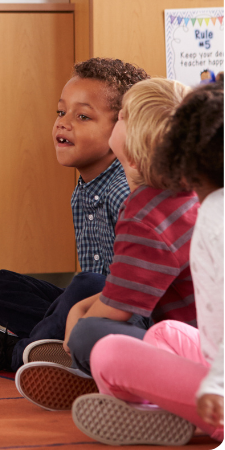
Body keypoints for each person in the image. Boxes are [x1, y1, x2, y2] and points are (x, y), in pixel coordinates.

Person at [16, 77, 196, 411]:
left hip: (195, 353)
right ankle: (95, 375)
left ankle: (143, 396)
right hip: (184, 335)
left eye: (123, 115)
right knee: (83, 314)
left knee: (89, 336)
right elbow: (132, 292)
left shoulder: (145, 211)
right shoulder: (185, 196)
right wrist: (79, 308)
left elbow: (117, 309)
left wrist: (80, 319)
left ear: (136, 143)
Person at [0, 58, 149, 372]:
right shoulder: (84, 189)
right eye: (61, 112)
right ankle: (49, 348)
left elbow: (132, 290)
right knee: (2, 288)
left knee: (88, 283)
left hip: (132, 314)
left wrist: (84, 305)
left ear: (122, 130)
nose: (63, 123)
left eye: (83, 116)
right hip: (95, 307)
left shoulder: (124, 191)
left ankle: (20, 355)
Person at [72, 83, 223, 445]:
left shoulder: (205, 216)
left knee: (100, 344)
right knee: (161, 334)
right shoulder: (202, 208)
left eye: (121, 116)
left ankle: (154, 407)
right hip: (210, 356)